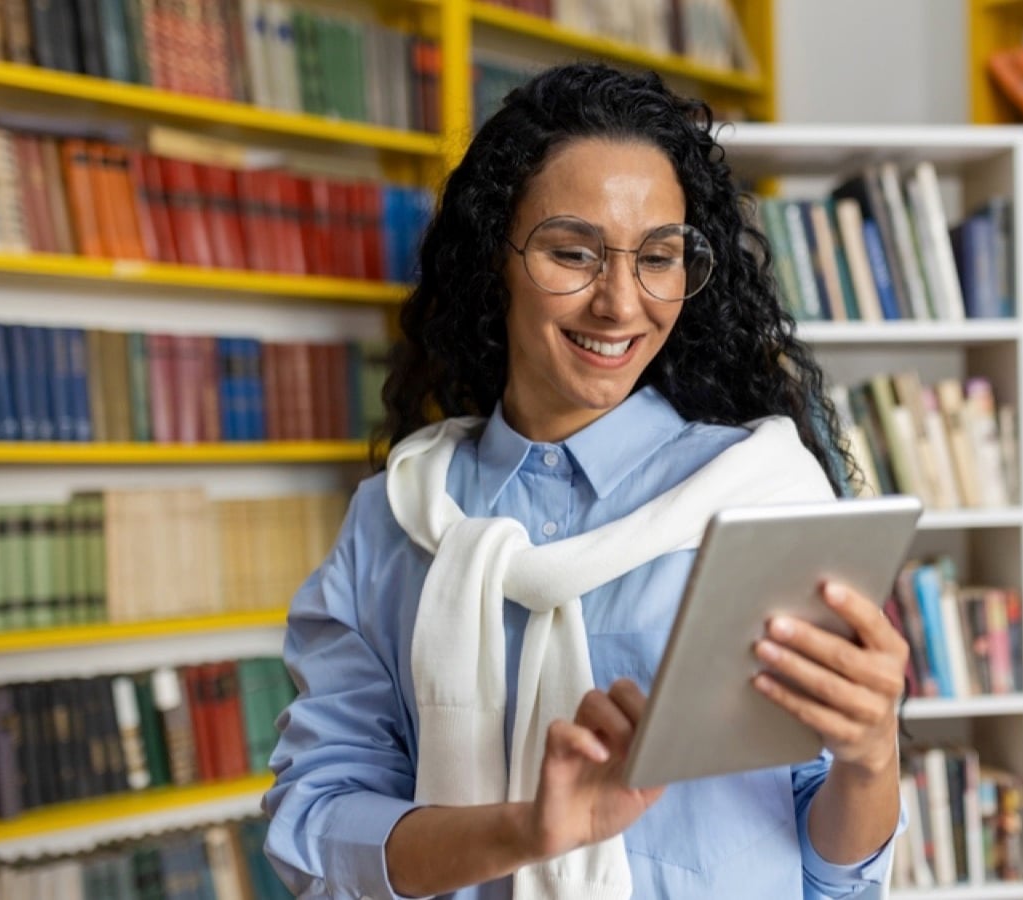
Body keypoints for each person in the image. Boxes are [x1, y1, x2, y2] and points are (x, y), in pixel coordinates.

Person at [263, 62, 910, 900]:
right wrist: (524, 831)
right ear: (493, 255)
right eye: (574, 252)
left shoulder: (761, 494)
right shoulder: (397, 519)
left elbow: (838, 881)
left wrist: (870, 756)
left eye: (659, 258)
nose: (620, 304)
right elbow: (317, 829)